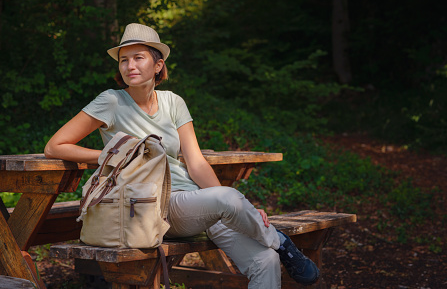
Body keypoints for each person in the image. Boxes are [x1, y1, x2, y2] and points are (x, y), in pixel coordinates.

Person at [44, 23, 320, 288]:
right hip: (151, 207)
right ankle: (281, 241)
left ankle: (274, 244)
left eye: (138, 58)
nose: (130, 66)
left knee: (265, 259)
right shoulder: (111, 101)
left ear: (158, 65)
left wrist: (237, 209)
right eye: (123, 60)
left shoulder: (173, 102)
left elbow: (196, 162)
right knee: (230, 199)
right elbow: (55, 146)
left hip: (194, 205)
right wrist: (114, 154)